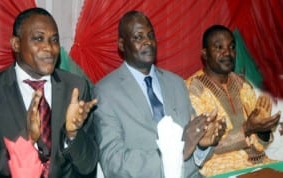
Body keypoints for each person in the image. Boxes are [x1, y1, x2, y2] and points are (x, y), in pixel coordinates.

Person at [92, 10, 225, 178]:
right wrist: (176, 152)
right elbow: (114, 162)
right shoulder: (105, 92)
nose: (148, 42)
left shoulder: (176, 83)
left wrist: (202, 144)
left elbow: (192, 152)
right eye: (138, 37)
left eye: (150, 35)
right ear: (121, 44)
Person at [0, 7, 98, 178]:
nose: (49, 48)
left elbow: (89, 165)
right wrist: (28, 142)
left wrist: (72, 135)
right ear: (16, 44)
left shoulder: (76, 88)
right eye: (38, 39)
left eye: (54, 40)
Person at [187, 24, 281, 176]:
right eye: (219, 47)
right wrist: (247, 129)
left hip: (261, 163)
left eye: (231, 47)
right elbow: (206, 148)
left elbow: (261, 144)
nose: (227, 53)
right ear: (204, 54)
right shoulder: (193, 90)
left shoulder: (243, 85)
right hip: (221, 169)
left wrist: (263, 130)